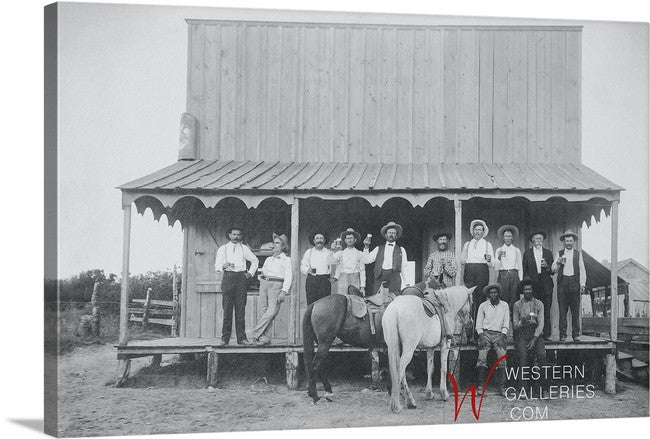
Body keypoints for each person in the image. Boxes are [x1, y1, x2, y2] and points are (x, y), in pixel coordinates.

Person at [214, 227, 259, 346]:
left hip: (241, 279)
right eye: (234, 234)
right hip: (228, 278)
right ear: (229, 235)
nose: (236, 237)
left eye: (238, 235)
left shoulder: (244, 248)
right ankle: (224, 339)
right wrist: (223, 266)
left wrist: (250, 273)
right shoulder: (223, 249)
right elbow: (217, 266)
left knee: (240, 310)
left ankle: (242, 339)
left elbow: (255, 260)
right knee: (227, 311)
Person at [249, 234, 292, 346]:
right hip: (264, 283)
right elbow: (262, 271)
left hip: (276, 285)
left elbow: (289, 277)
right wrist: (262, 279)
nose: (274, 245)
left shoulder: (286, 260)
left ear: (283, 246)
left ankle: (254, 333)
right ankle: (265, 339)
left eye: (277, 243)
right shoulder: (269, 259)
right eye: (274, 243)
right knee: (264, 310)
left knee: (271, 312)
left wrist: (284, 291)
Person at [513, 279, 548, 392]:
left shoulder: (539, 304)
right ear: (522, 291)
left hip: (536, 335)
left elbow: (541, 323)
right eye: (525, 289)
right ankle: (523, 388)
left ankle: (544, 389)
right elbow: (514, 325)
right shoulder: (517, 305)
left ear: (532, 290)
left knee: (542, 356)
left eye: (529, 289)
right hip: (522, 334)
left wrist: (534, 339)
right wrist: (522, 321)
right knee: (523, 358)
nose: (527, 291)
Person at [475, 283, 510, 396]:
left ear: (498, 293)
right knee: (482, 357)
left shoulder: (504, 305)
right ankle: (481, 386)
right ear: (488, 295)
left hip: (499, 334)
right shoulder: (483, 306)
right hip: (485, 333)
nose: (493, 295)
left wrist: (503, 335)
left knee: (502, 357)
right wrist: (481, 336)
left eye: (495, 292)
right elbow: (479, 323)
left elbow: (506, 322)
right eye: (491, 293)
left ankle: (502, 386)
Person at [551, 230, 586, 342]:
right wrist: (558, 262)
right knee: (562, 310)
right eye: (567, 241)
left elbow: (582, 270)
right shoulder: (559, 253)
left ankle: (576, 334)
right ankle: (563, 335)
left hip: (574, 282)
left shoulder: (578, 254)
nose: (569, 243)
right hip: (563, 283)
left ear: (573, 242)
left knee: (575, 310)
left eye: (571, 241)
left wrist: (583, 284)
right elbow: (553, 270)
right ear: (564, 242)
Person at [522, 231, 554, 341]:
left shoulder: (548, 253)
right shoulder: (527, 253)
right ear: (532, 241)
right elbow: (524, 270)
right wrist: (528, 281)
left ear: (543, 240)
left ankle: (546, 334)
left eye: (540, 239)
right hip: (533, 284)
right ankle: (533, 333)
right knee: (532, 309)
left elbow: (552, 271)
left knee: (546, 309)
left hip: (546, 284)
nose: (538, 241)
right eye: (536, 239)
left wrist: (547, 267)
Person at [461, 219, 494, 322]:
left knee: (480, 297)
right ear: (473, 231)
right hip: (469, 271)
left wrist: (489, 259)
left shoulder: (487, 245)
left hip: (482, 272)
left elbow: (492, 263)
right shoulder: (467, 244)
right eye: (475, 229)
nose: (477, 232)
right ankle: (469, 325)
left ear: (483, 232)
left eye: (480, 230)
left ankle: (478, 325)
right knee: (470, 297)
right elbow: (462, 260)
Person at [362, 222, 408, 295]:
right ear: (386, 235)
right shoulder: (378, 248)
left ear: (396, 235)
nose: (391, 234)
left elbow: (404, 267)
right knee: (378, 301)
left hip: (394, 278)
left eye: (393, 233)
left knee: (394, 300)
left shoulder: (401, 250)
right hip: (380, 277)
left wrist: (407, 283)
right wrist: (366, 247)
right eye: (389, 232)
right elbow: (366, 260)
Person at [493, 225, 523, 313]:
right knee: (503, 297)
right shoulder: (499, 249)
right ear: (503, 237)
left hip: (514, 275)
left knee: (514, 298)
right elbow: (496, 268)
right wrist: (498, 258)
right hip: (503, 275)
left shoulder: (516, 250)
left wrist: (520, 279)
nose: (508, 238)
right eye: (506, 236)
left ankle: (513, 322)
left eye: (509, 236)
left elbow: (520, 266)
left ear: (512, 237)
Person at [300, 231, 334, 305]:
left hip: (325, 280)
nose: (319, 240)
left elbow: (332, 264)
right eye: (317, 238)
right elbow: (302, 266)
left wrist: (333, 251)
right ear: (314, 241)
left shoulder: (329, 252)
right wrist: (308, 270)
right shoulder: (309, 252)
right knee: (311, 304)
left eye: (321, 238)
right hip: (312, 280)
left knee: (325, 304)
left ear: (324, 240)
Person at [330, 228, 366, 295]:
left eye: (351, 238)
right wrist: (332, 250)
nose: (349, 240)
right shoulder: (340, 253)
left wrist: (362, 286)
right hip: (343, 279)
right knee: (343, 299)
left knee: (354, 299)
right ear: (345, 240)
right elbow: (331, 262)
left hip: (355, 279)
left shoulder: (359, 253)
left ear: (355, 240)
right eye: (348, 238)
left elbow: (362, 270)